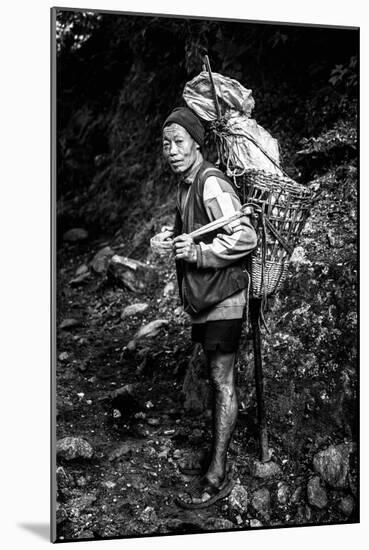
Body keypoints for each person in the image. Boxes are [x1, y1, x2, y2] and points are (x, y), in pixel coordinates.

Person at [161, 106, 257, 509]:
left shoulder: (210, 182)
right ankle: (215, 458)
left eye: (179, 141)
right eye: (166, 143)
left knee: (221, 379)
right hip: (206, 298)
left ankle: (217, 473)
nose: (172, 150)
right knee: (216, 377)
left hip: (225, 296)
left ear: (197, 143)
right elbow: (195, 232)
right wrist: (174, 237)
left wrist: (198, 252)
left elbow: (245, 235)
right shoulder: (186, 185)